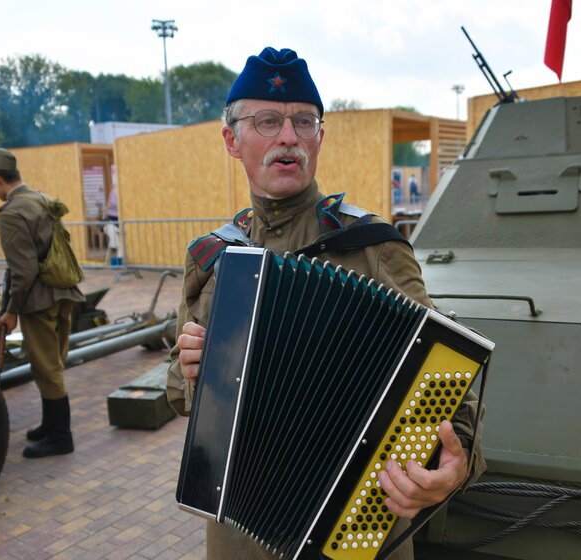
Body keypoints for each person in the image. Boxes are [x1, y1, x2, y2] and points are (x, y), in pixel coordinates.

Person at [166, 47, 485, 560]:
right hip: (239, 529)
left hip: (355, 523)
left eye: (304, 121)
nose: (288, 137)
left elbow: (446, 374)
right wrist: (187, 370)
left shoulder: (373, 244)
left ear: (319, 137)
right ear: (232, 139)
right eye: (267, 121)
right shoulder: (210, 257)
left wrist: (459, 455)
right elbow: (179, 395)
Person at [0, 147, 84, 458]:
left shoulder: (12, 213)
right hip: (63, 292)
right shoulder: (40, 199)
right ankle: (50, 426)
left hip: (38, 300)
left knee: (46, 368)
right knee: (52, 365)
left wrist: (11, 311)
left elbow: (22, 272)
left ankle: (60, 437)